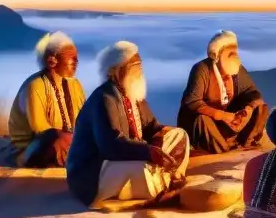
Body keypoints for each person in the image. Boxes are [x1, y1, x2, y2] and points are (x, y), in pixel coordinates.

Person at [66, 41, 190, 207]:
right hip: (96, 171)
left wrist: (162, 134)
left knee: (179, 135)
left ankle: (167, 178)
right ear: (116, 70)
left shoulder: (133, 92)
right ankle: (161, 183)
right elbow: (110, 146)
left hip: (129, 156)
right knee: (143, 171)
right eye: (135, 65)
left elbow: (151, 127)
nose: (140, 70)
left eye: (140, 64)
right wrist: (148, 152)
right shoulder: (105, 98)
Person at [177, 30, 270, 153]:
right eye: (229, 50)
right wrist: (223, 116)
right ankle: (222, 149)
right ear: (217, 54)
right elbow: (191, 102)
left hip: (229, 121)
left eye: (235, 49)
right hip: (208, 125)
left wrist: (247, 109)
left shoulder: (238, 69)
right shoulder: (202, 69)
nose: (234, 54)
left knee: (259, 106)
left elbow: (252, 92)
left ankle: (247, 143)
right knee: (202, 120)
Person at [8, 32, 86, 167]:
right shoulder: (35, 86)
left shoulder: (75, 84)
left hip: (69, 139)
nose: (76, 62)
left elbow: (84, 119)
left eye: (76, 57)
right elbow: (40, 128)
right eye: (71, 57)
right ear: (52, 61)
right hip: (33, 145)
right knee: (56, 138)